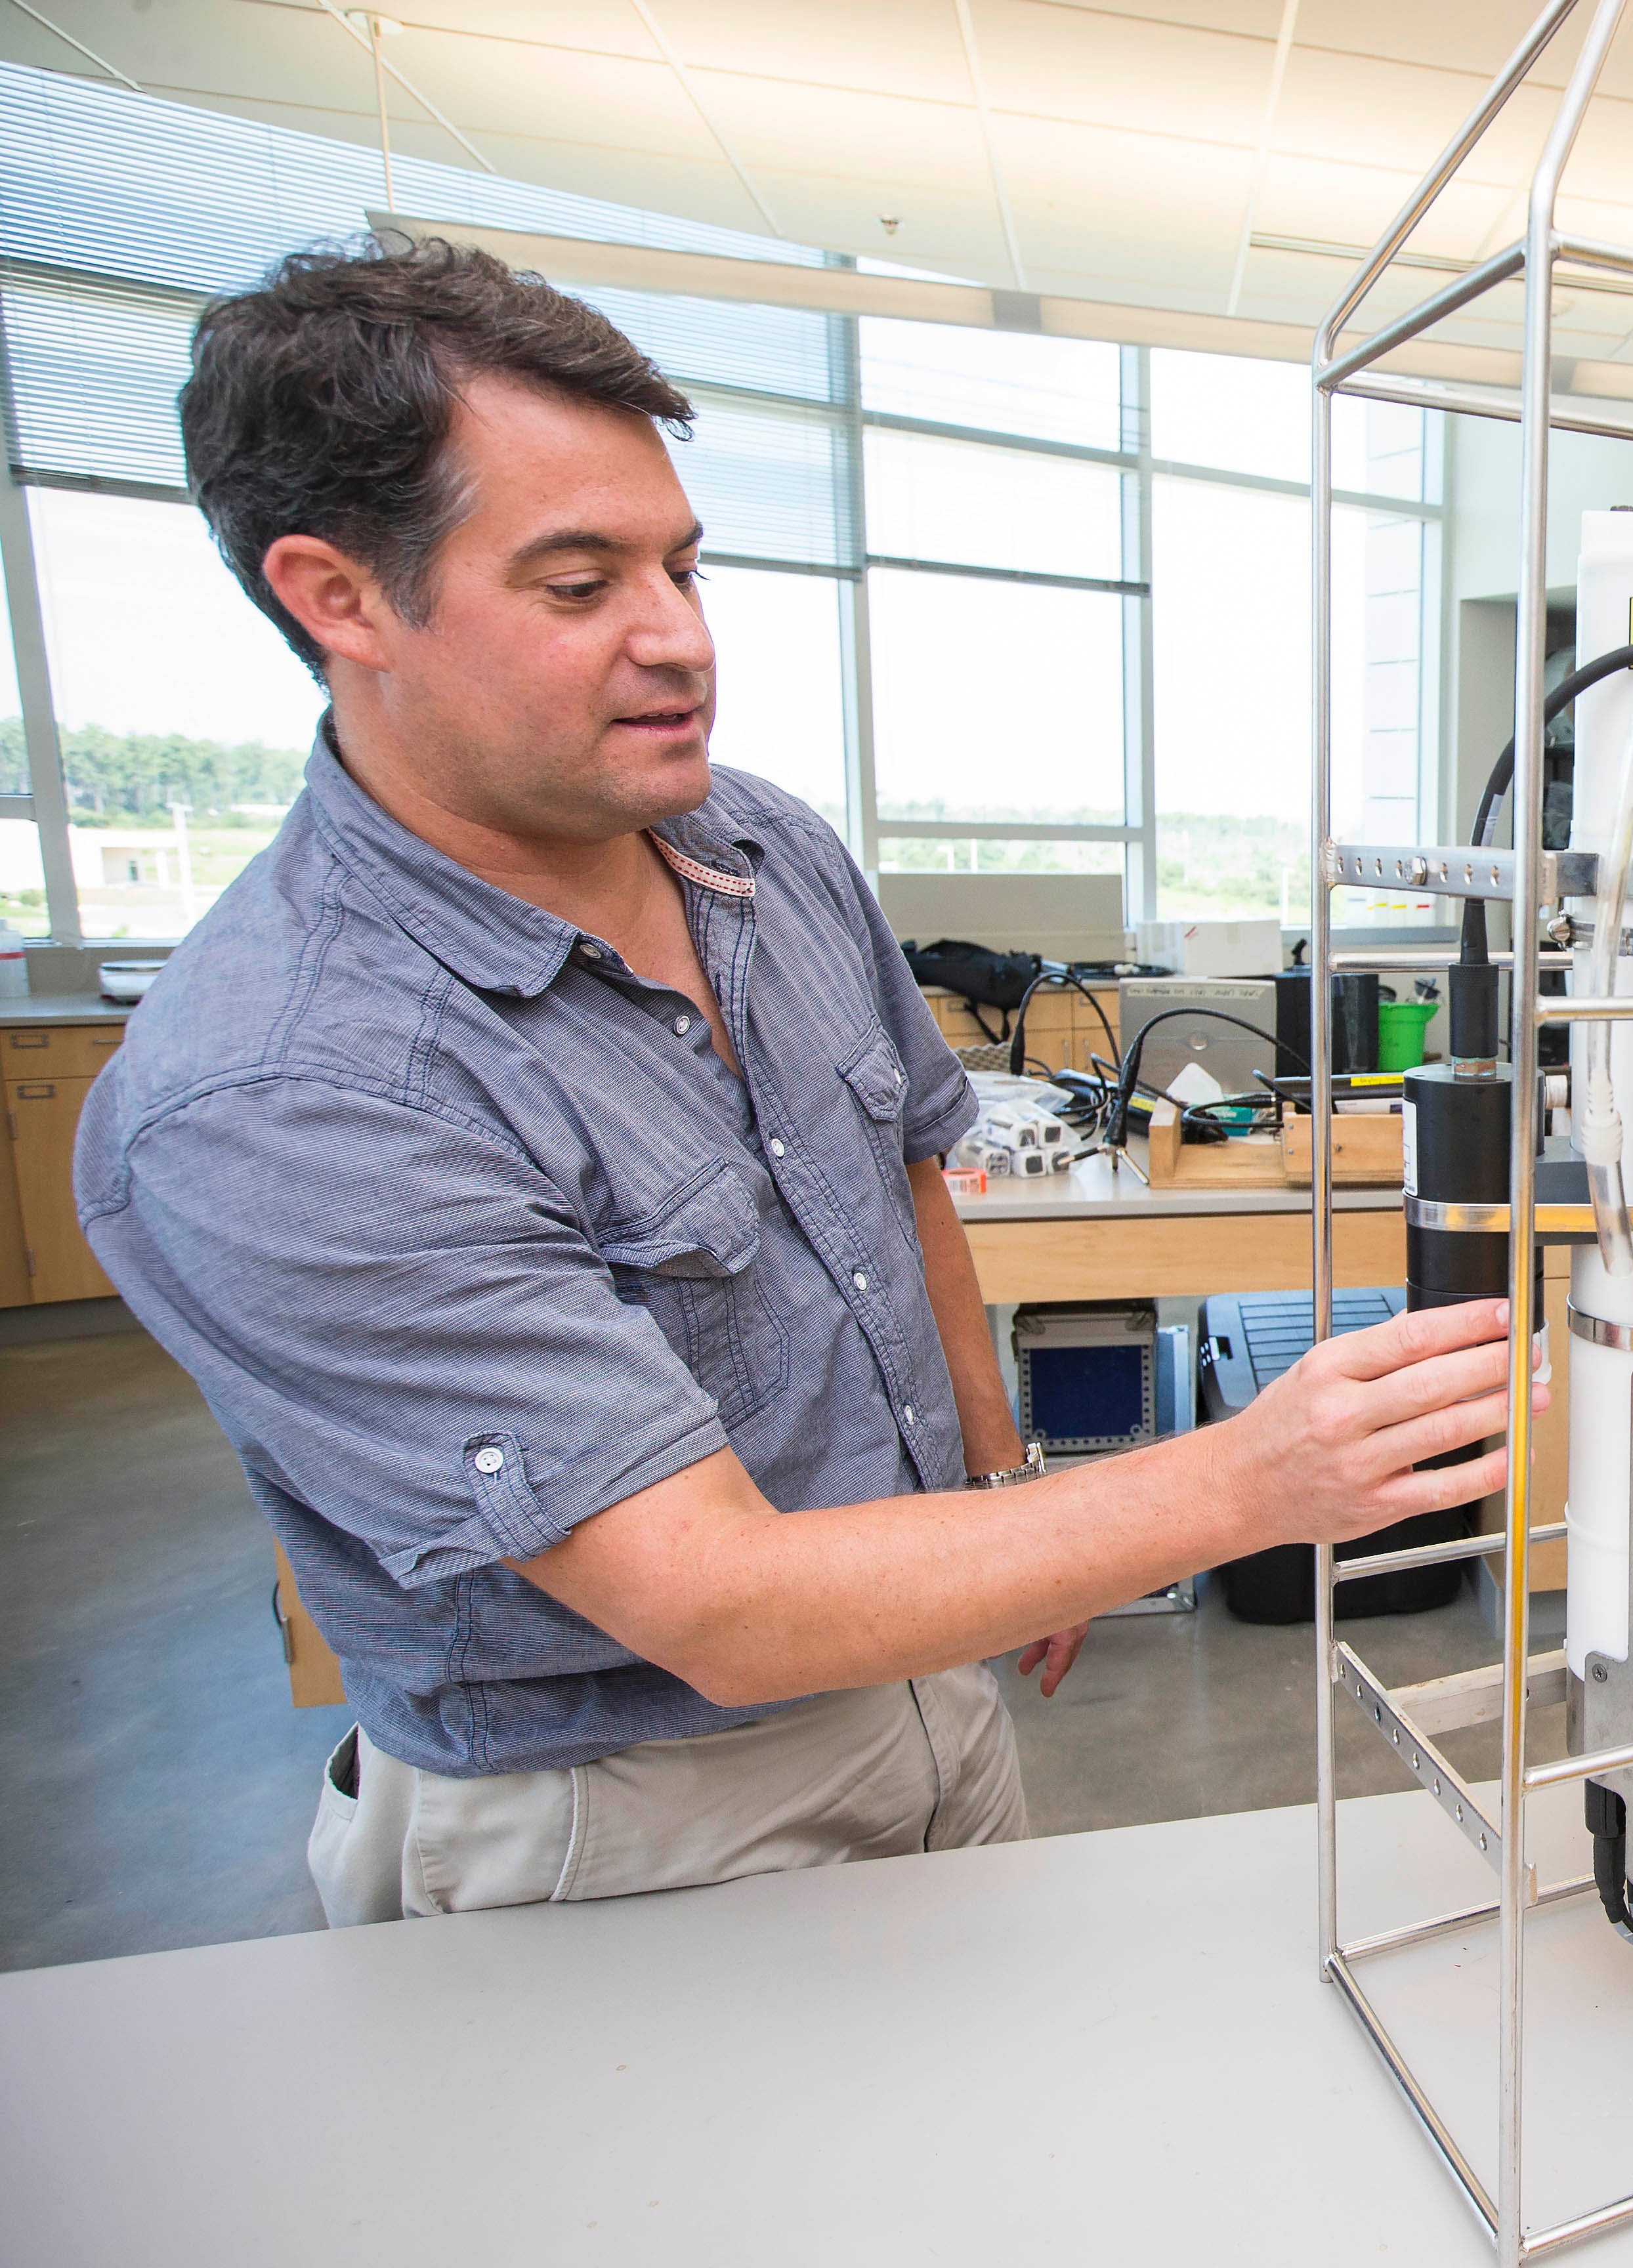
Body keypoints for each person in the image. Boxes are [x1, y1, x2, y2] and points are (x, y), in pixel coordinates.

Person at [75, 240, 1525, 1923]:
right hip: (617, 1815)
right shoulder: (285, 1090)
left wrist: (1004, 1501)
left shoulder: (754, 845)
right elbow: (714, 1599)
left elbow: (910, 1173)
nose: (678, 639)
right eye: (577, 585)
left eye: (683, 567)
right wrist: (1233, 1483)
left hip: (923, 1683)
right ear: (338, 599)